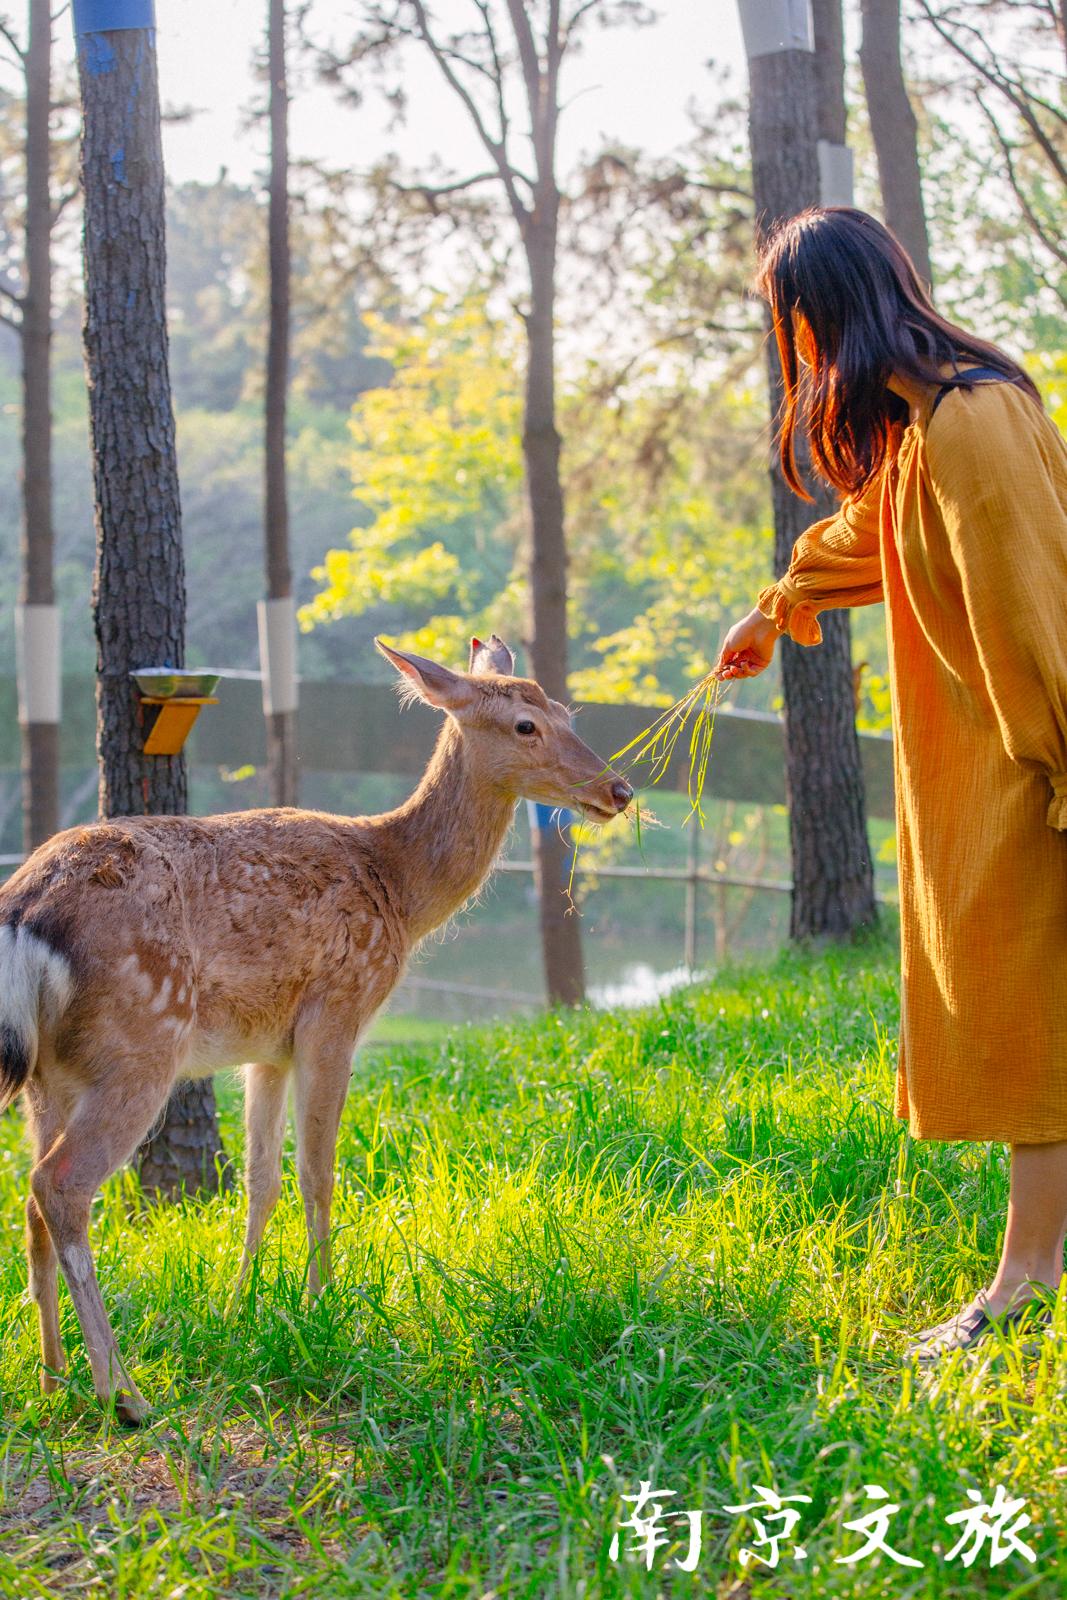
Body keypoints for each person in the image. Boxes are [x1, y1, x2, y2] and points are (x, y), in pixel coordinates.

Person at [714, 206, 1067, 1361]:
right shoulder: (927, 434)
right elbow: (868, 530)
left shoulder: (973, 418)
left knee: (1030, 1027)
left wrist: (1061, 759)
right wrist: (777, 608)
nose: (797, 357)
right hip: (989, 767)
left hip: (1032, 768)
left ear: (827, 314)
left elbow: (1033, 601)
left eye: (793, 327)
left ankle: (1019, 1283)